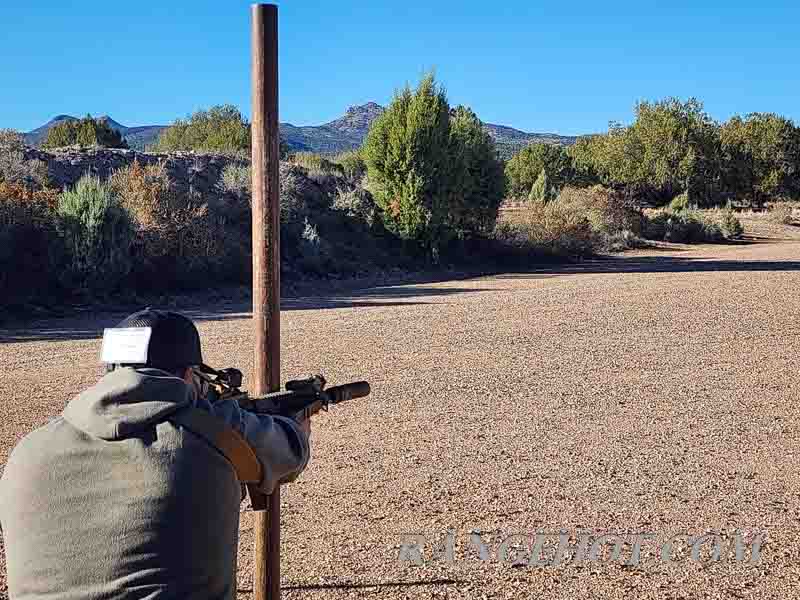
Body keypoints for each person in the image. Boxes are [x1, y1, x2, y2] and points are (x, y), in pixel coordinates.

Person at [0, 309, 310, 600]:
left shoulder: (28, 451)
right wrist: (299, 421)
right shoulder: (213, 432)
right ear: (188, 375)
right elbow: (290, 450)